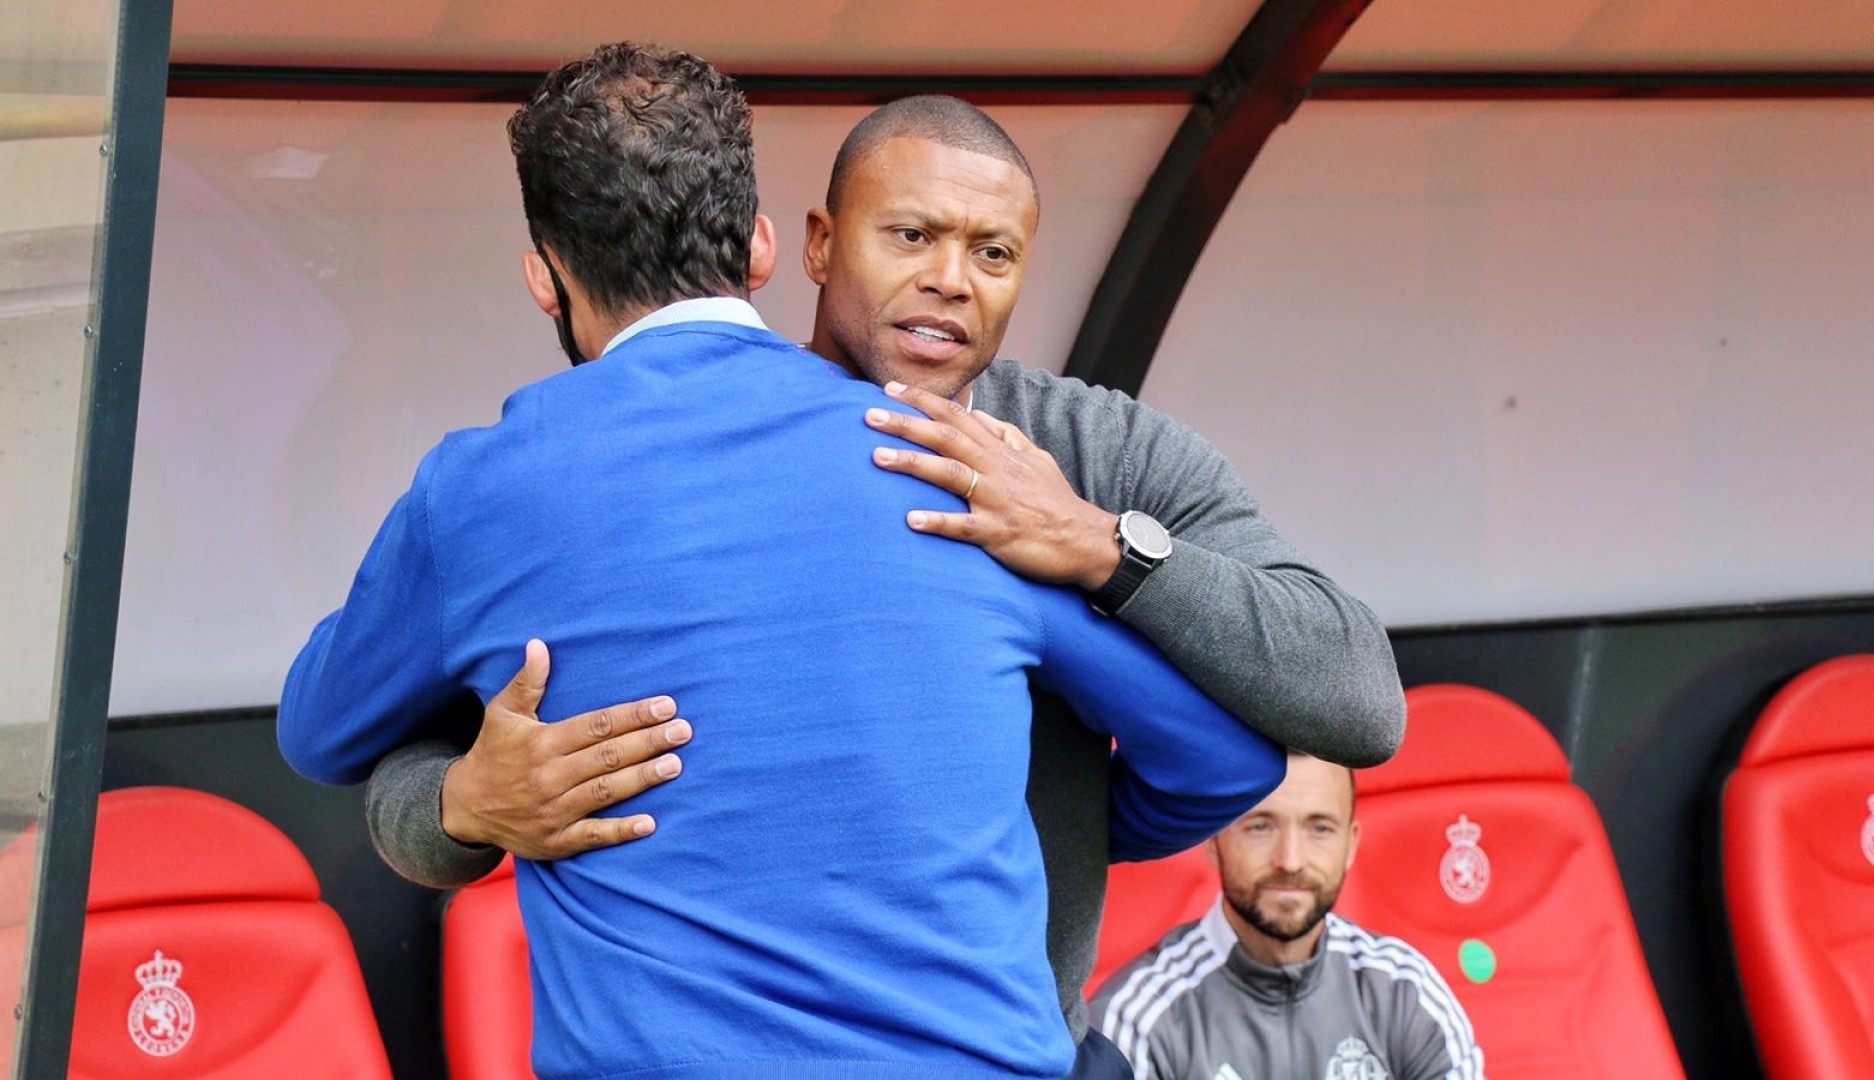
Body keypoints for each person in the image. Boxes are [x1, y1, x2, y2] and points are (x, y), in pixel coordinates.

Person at [278, 44, 1293, 1080]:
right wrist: (1015, 828)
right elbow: (1227, 758)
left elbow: (321, 732)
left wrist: (468, 801)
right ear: (765, 248)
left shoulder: (481, 492)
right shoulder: (951, 466)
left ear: (544, 275)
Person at [1090, 753, 1484, 1080]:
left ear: (1350, 845)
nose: (1290, 860)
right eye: (1260, 826)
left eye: (1320, 829)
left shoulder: (1406, 989)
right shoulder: (1138, 1019)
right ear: (1214, 841)